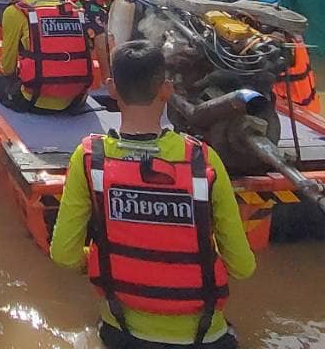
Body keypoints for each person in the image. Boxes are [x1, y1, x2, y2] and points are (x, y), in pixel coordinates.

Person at [51, 40, 255, 349]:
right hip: (206, 338)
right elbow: (242, 266)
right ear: (167, 89)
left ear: (112, 88)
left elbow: (63, 255)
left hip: (123, 335)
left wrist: (99, 258)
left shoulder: (89, 158)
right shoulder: (203, 159)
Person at [226, 0, 319, 113]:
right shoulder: (280, 28)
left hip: (295, 113)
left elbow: (250, 73)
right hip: (299, 107)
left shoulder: (278, 40)